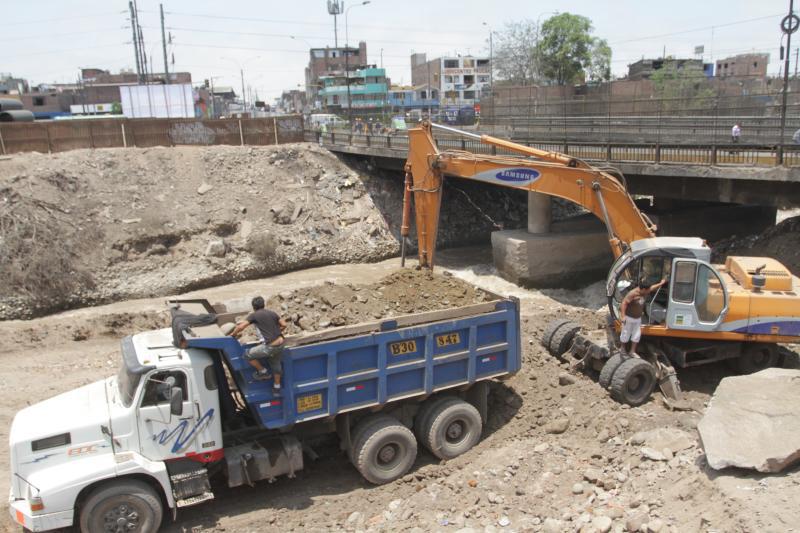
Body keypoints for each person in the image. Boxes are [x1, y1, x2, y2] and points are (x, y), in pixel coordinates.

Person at [229, 296, 287, 393]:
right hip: (281, 343)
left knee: (247, 355)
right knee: (276, 365)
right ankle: (277, 387)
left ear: (253, 307)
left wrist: (233, 334)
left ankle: (263, 372)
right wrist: (277, 331)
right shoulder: (272, 313)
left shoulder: (254, 315)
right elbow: (284, 324)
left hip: (270, 346)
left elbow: (241, 326)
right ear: (263, 304)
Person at [619, 278, 668, 355]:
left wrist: (661, 283)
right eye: (648, 290)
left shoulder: (645, 291)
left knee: (636, 335)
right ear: (644, 289)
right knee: (625, 333)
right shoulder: (632, 294)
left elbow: (652, 287)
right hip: (629, 318)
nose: (649, 291)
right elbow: (624, 303)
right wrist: (623, 316)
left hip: (638, 318)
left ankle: (632, 351)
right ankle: (622, 349)